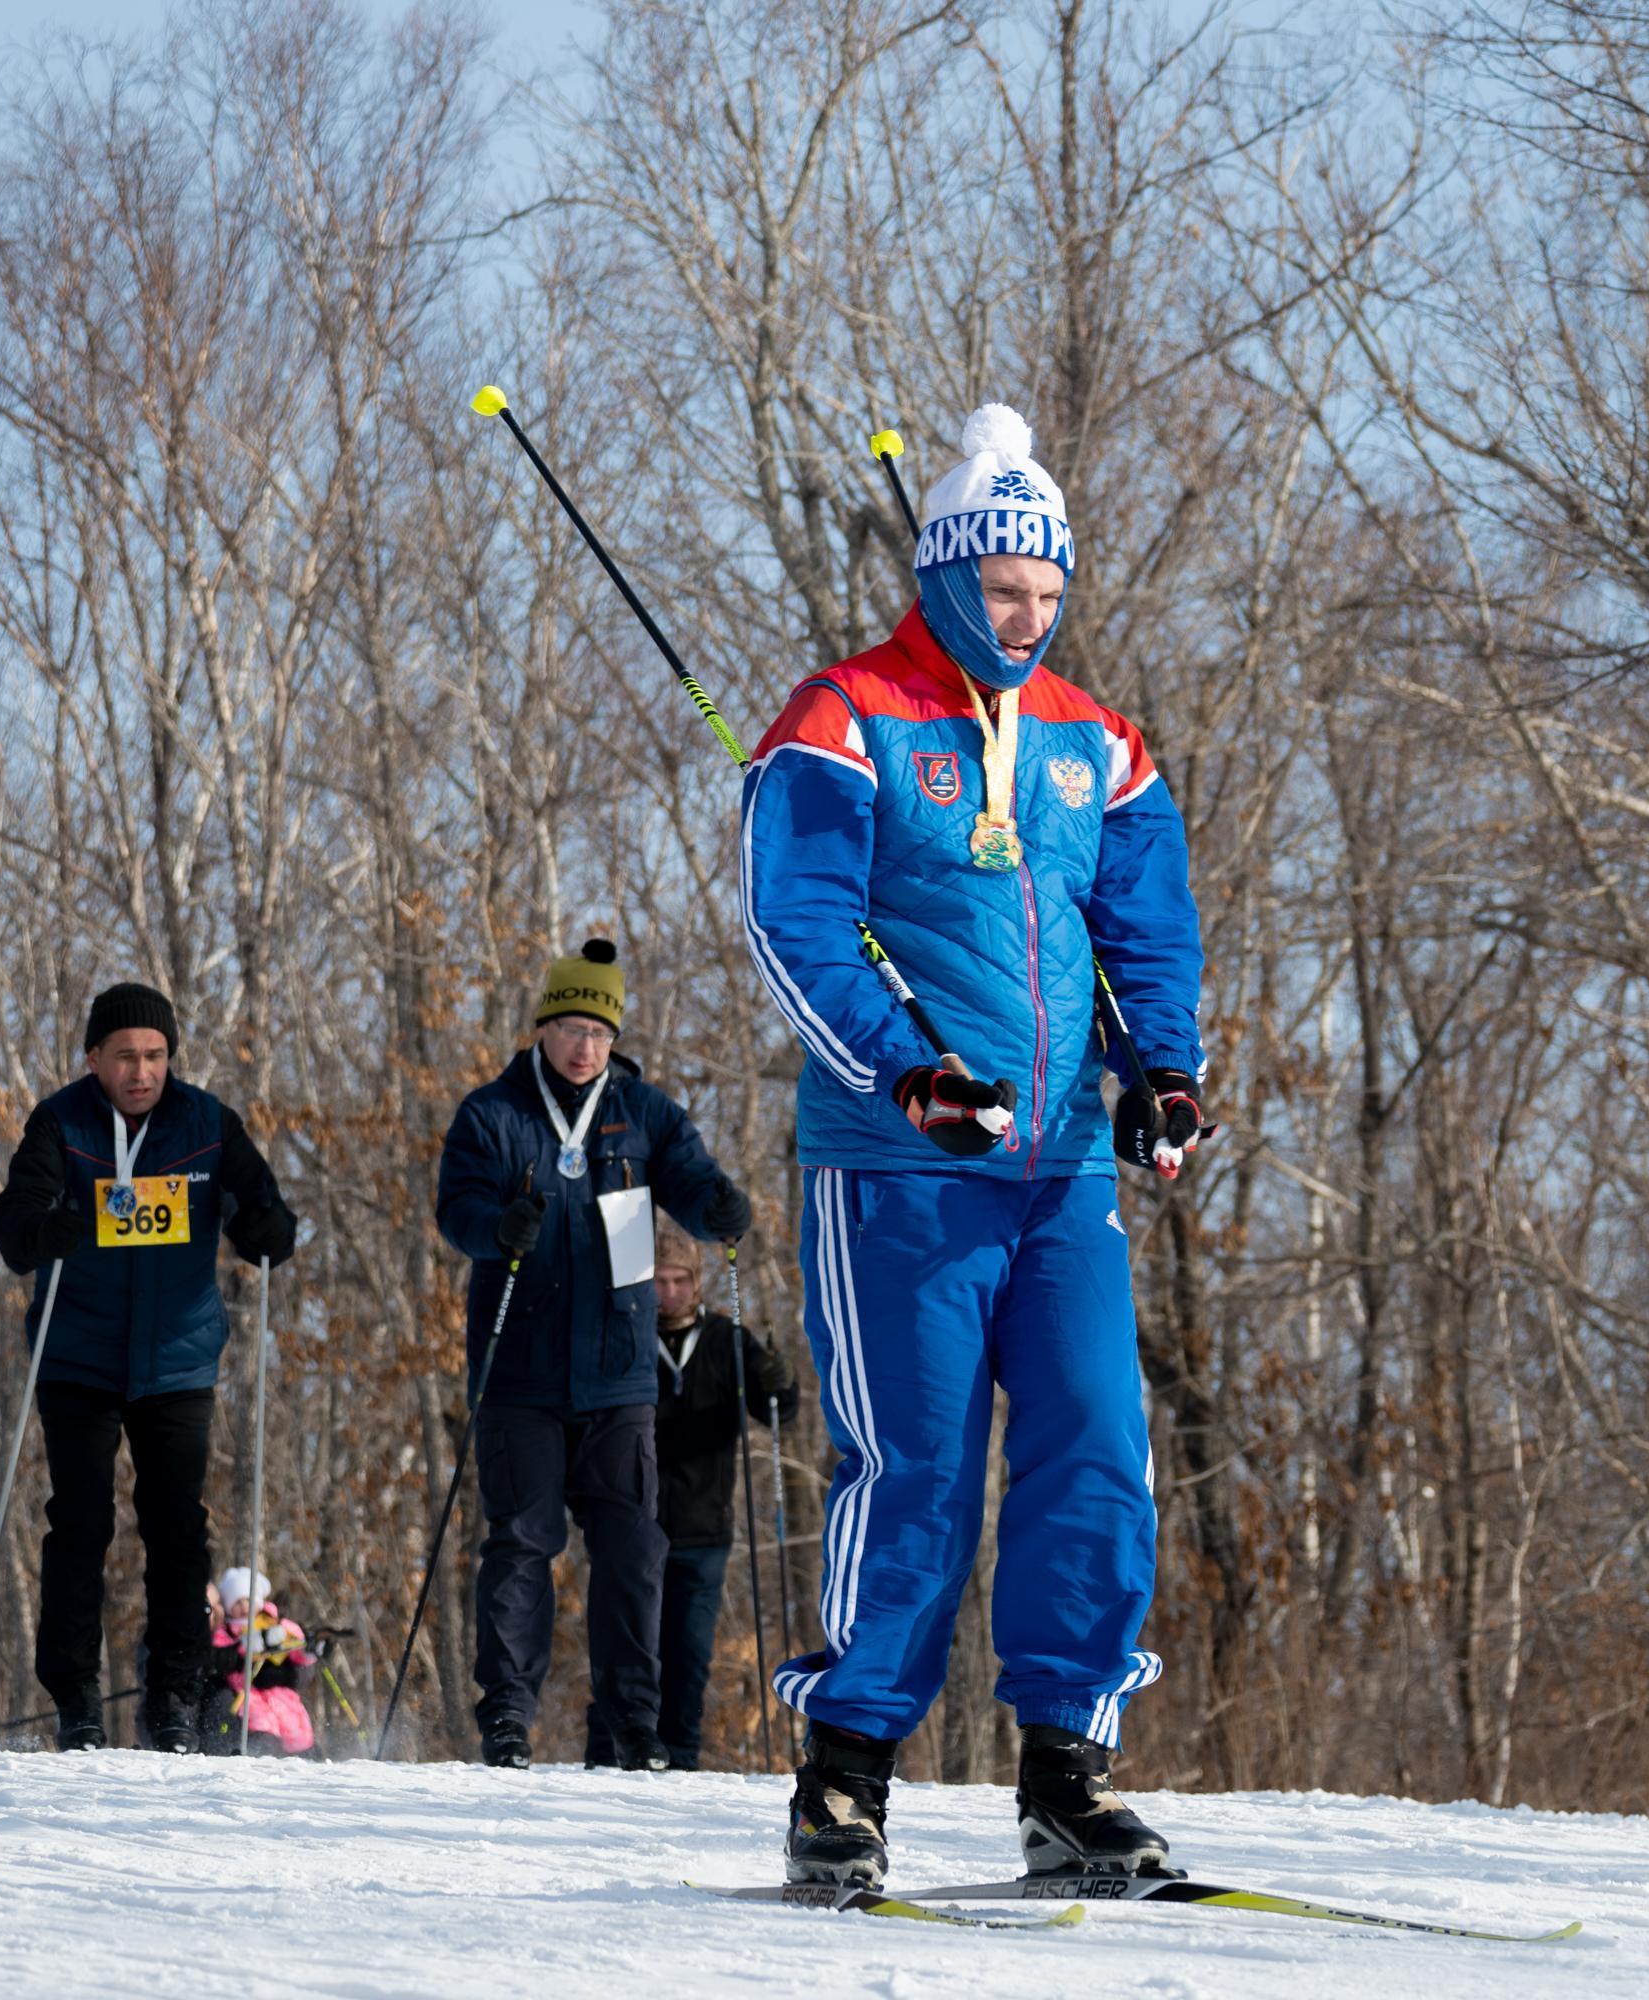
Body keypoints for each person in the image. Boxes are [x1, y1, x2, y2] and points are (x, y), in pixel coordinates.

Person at [741, 403, 1209, 1886]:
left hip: (1062, 1169)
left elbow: (1141, 933)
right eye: (1004, 589)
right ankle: (847, 1778)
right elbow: (795, 920)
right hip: (902, 1175)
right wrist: (905, 1075)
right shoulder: (846, 714)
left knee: (1097, 1449)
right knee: (916, 1467)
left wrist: (1163, 1077)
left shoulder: (1097, 743)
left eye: (1048, 593)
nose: (1027, 615)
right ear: (947, 574)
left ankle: (1066, 1773)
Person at [433, 940, 752, 1771]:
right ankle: (507, 1717)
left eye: (600, 1033)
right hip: (521, 1373)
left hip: (618, 1373)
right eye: (572, 1028)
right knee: (522, 1544)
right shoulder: (493, 1113)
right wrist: (494, 1228)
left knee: (632, 1547)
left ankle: (631, 1727)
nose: (585, 1048)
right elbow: (458, 1207)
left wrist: (718, 1207)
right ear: (543, 1027)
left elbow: (689, 1177)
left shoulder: (642, 1112)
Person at [0, 983, 300, 1754]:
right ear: (94, 1058)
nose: (141, 1071)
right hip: (79, 1356)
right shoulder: (61, 1122)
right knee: (82, 1523)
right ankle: (76, 1700)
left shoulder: (206, 1122)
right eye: (124, 1055)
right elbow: (12, 1220)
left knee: (177, 1530)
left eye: (155, 1055)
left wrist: (268, 1229)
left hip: (177, 1357)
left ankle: (176, 1698)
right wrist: (43, 1227)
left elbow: (264, 1207)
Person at [581, 1228, 800, 1772]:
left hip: (705, 1526)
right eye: (659, 1281)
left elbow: (782, 1407)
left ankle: (679, 1761)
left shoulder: (727, 1340)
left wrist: (777, 1380)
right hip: (636, 1519)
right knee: (629, 1642)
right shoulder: (627, 1335)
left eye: (680, 1281)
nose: (670, 1292)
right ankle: (606, 1754)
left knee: (689, 1655)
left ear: (698, 1284)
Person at [202, 1566, 317, 1757]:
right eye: (237, 1603)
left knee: (294, 1723)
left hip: (279, 1692)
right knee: (260, 1721)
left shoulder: (277, 1623)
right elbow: (220, 1653)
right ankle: (262, 1750)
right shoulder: (228, 1630)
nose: (244, 1607)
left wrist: (308, 1652)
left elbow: (295, 1646)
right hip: (247, 1691)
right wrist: (243, 1649)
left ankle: (305, 1754)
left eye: (248, 1600)